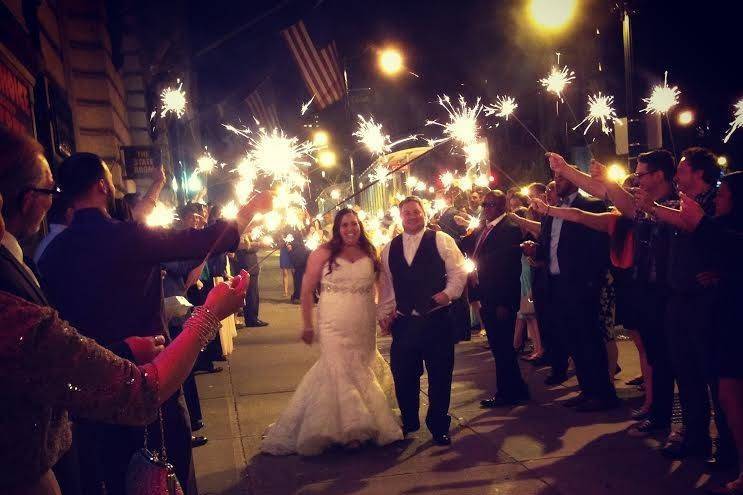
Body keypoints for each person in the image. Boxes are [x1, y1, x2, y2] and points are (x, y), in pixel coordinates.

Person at [38, 152, 271, 495]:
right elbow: (203, 240)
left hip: (86, 395)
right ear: (102, 185)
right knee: (165, 474)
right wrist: (249, 209)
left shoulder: (51, 252)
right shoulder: (129, 237)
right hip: (148, 378)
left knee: (109, 479)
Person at [261, 208, 402, 455]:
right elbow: (305, 291)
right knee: (337, 368)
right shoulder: (323, 253)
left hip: (363, 323)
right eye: (345, 225)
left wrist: (384, 315)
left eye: (354, 224)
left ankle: (364, 423)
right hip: (333, 323)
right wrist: (307, 324)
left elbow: (382, 288)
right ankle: (351, 431)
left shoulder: (370, 251)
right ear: (337, 228)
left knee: (361, 366)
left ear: (360, 226)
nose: (350, 229)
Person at [523, 164, 617, 411]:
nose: (557, 181)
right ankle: (587, 390)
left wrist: (591, 280)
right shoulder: (551, 211)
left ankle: (603, 393)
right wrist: (535, 250)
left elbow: (598, 249)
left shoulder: (590, 205)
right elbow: (548, 243)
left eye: (562, 177)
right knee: (573, 339)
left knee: (590, 339)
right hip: (556, 282)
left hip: (581, 284)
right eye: (555, 177)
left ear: (575, 179)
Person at [377, 196, 468, 446]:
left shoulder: (441, 240)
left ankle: (439, 425)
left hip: (437, 320)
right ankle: (409, 420)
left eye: (416, 211)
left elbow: (458, 271)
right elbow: (387, 287)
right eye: (407, 212)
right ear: (400, 216)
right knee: (403, 374)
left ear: (424, 213)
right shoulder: (389, 248)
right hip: (405, 323)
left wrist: (447, 294)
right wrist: (385, 314)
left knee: (440, 375)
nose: (412, 216)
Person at [674, 176, 743, 494]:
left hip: (734, 319)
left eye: (724, 193)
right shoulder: (721, 226)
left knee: (731, 394)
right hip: (727, 318)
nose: (718, 198)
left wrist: (701, 221)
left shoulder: (724, 229)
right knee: (728, 395)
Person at [466, 191, 529, 407]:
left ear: (502, 206)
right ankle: (517, 388)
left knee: (503, 348)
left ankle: (507, 393)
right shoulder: (486, 228)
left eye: (490, 204)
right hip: (487, 295)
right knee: (499, 348)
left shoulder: (508, 229)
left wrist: (503, 303)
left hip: (501, 299)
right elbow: (470, 248)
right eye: (484, 204)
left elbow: (509, 269)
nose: (485, 208)